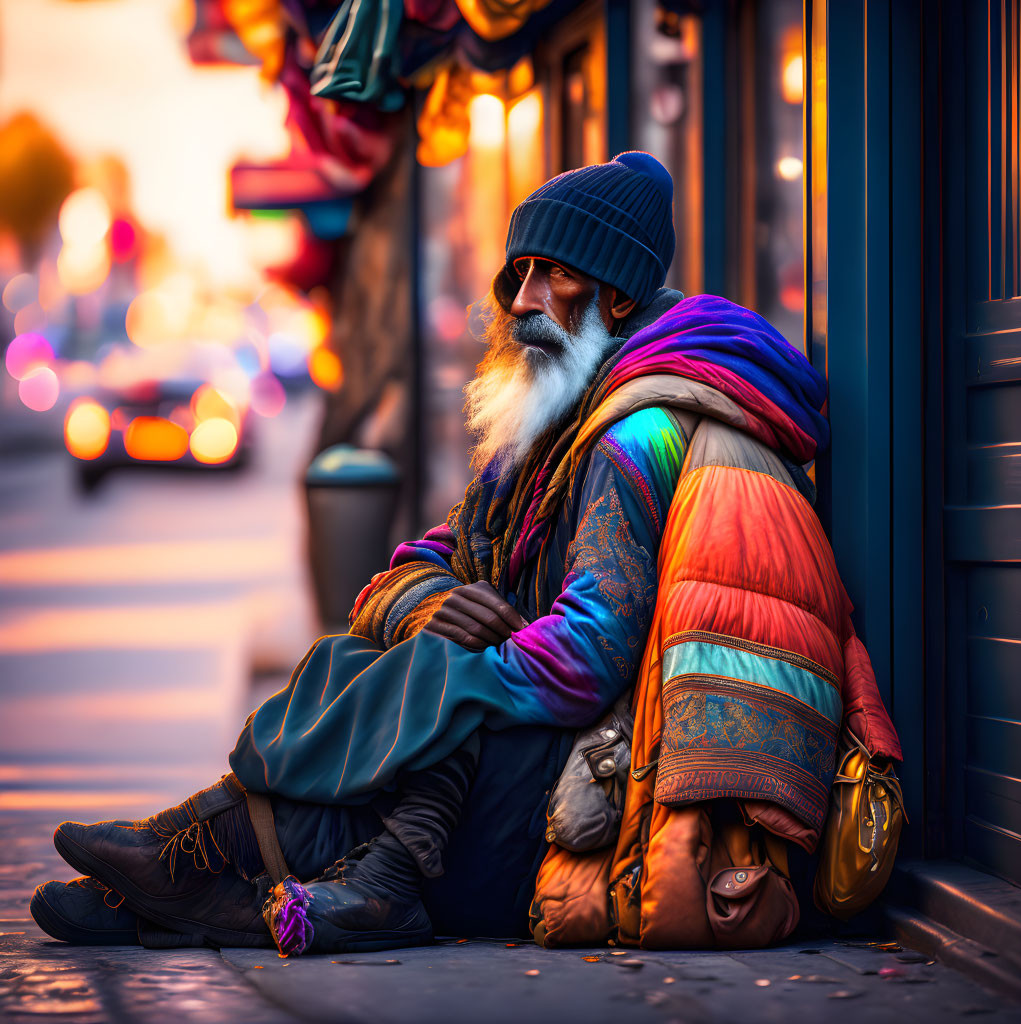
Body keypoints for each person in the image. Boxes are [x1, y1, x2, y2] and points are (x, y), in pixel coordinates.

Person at [31, 152, 898, 955]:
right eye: (516, 274)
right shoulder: (547, 428)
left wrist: (448, 664)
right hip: (507, 778)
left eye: (554, 274)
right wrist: (421, 606)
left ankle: (198, 855)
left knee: (424, 684)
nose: (523, 299)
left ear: (619, 301)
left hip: (588, 789)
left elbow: (590, 660)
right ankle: (184, 881)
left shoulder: (635, 435)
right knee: (364, 656)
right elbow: (411, 566)